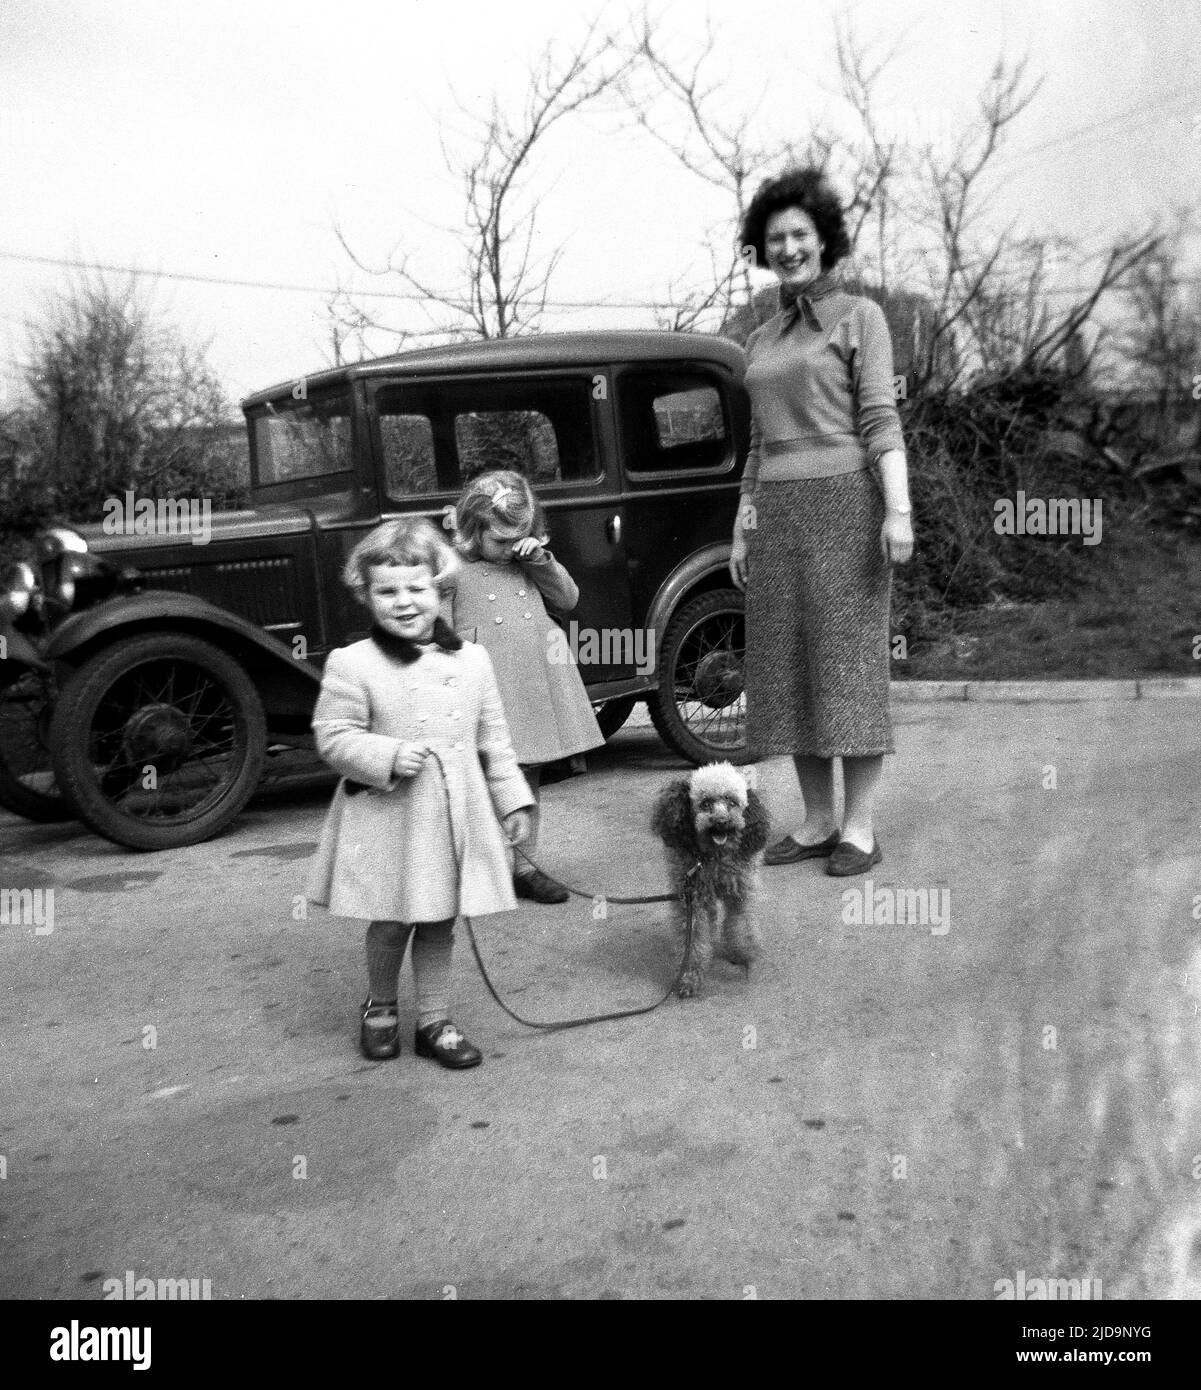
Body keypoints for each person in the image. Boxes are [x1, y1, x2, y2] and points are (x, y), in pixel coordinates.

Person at [730, 167, 915, 876]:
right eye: (774, 237)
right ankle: (814, 821)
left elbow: (879, 420)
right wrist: (742, 524)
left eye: (799, 234)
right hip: (776, 516)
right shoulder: (760, 337)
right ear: (762, 247)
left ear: (823, 240)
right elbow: (755, 445)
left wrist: (896, 510)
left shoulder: (859, 316)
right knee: (789, 670)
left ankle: (858, 830)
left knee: (846, 668)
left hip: (847, 505)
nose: (786, 247)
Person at [305, 517, 534, 1068]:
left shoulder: (473, 659)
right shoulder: (352, 662)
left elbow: (494, 738)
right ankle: (381, 1006)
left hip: (455, 812)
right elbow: (332, 736)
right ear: (365, 595)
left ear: (440, 588)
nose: (404, 603)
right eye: (387, 591)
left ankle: (434, 1018)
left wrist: (513, 799)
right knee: (391, 916)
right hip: (389, 813)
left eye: (416, 588)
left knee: (439, 917)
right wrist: (384, 754)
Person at [448, 469, 604, 904]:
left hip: (530, 681)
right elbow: (436, 630)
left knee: (525, 772)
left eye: (516, 538)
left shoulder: (528, 561)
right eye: (497, 539)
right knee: (479, 775)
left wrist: (539, 559)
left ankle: (525, 865)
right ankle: (474, 866)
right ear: (471, 528)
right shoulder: (453, 569)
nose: (506, 550)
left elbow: (568, 599)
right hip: (484, 689)